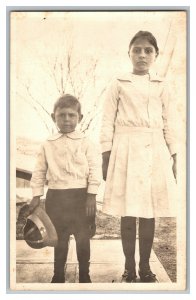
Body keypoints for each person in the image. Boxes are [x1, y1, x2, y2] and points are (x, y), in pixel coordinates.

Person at [100, 31, 177, 283]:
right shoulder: (118, 83)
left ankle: (145, 267)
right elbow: (107, 120)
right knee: (128, 212)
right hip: (125, 149)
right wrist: (106, 153)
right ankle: (129, 268)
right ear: (129, 53)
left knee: (148, 211)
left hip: (154, 151)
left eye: (148, 50)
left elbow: (170, 123)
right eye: (137, 50)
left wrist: (175, 154)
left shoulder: (162, 85)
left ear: (155, 55)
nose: (142, 55)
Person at [29, 94, 102, 283]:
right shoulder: (47, 145)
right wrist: (37, 196)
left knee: (83, 238)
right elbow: (38, 171)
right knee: (59, 239)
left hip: (81, 198)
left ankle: (85, 275)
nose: (67, 119)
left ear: (80, 117)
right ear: (54, 117)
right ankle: (58, 275)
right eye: (62, 115)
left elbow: (95, 170)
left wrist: (92, 195)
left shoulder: (87, 143)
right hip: (57, 198)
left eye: (72, 115)